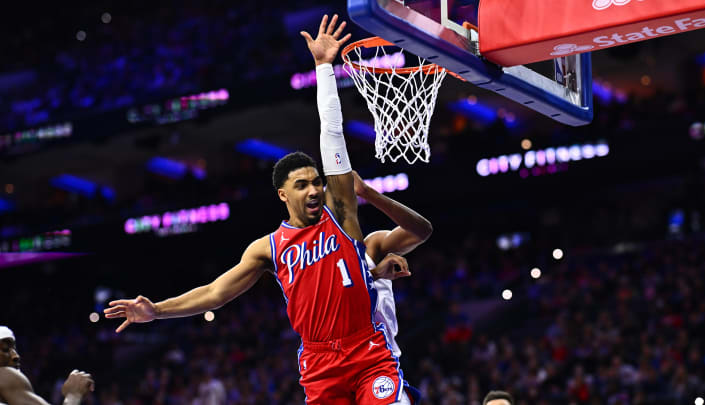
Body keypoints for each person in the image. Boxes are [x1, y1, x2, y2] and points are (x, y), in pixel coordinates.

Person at [105, 14, 413, 404]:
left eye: (317, 181)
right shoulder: (268, 248)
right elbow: (216, 292)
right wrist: (158, 311)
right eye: (302, 185)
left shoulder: (342, 215)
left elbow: (331, 135)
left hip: (366, 350)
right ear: (283, 195)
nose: (314, 190)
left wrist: (323, 69)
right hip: (319, 363)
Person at [352, 171, 433, 404]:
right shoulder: (316, 261)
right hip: (337, 371)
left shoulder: (371, 246)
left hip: (378, 365)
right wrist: (376, 274)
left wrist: (368, 193)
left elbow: (422, 230)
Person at [0, 326, 95, 405]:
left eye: (15, 349)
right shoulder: (3, 375)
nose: (16, 356)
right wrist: (73, 395)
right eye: (5, 349)